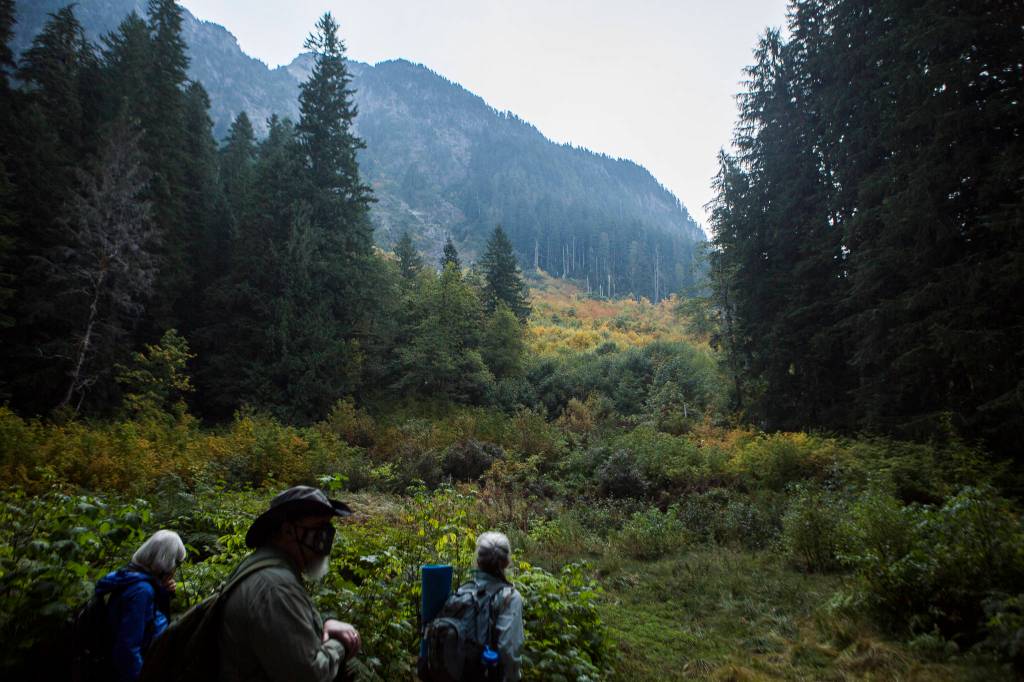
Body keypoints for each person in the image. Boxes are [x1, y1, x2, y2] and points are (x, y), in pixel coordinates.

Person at [218, 485, 362, 682]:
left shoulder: (262, 569)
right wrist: (341, 645)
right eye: (319, 530)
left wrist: (324, 625)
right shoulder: (276, 588)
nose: (325, 541)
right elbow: (310, 675)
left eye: (328, 532)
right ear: (287, 531)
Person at [95, 529, 186, 682]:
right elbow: (127, 649)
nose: (175, 569)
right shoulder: (141, 591)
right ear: (165, 562)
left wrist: (162, 591)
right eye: (176, 562)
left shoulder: (134, 578)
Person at [472, 531, 525, 682]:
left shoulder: (465, 591)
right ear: (507, 562)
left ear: (478, 561)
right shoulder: (510, 598)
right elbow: (508, 650)